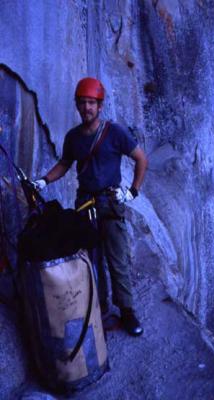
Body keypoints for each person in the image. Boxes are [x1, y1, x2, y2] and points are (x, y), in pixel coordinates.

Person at [33, 77, 147, 336]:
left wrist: (132, 192)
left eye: (91, 103)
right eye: (82, 103)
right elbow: (65, 164)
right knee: (90, 261)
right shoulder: (73, 138)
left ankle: (127, 312)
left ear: (100, 106)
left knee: (117, 260)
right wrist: (43, 180)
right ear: (77, 105)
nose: (86, 108)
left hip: (110, 202)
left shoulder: (115, 132)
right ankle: (100, 311)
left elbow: (141, 159)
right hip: (85, 203)